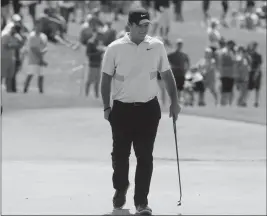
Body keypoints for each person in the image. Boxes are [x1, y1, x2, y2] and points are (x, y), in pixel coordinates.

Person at [100, 7, 181, 215]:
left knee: (145, 156)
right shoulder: (115, 48)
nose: (145, 29)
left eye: (147, 25)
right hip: (122, 110)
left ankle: (141, 203)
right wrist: (107, 106)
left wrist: (175, 101)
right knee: (120, 156)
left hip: (148, 109)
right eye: (141, 25)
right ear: (131, 25)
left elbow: (167, 74)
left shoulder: (156, 46)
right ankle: (120, 187)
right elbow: (106, 78)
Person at [23, 19, 48, 93]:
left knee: (41, 75)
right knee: (30, 75)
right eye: (37, 25)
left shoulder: (43, 36)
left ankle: (41, 91)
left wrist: (44, 51)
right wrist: (41, 60)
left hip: (41, 59)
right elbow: (34, 49)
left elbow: (45, 46)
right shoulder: (32, 36)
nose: (39, 27)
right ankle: (25, 89)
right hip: (33, 59)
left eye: (40, 26)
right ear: (35, 26)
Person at [85, 24, 106, 98]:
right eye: (99, 34)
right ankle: (86, 95)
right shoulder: (90, 42)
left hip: (98, 63)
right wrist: (99, 53)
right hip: (92, 64)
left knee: (97, 81)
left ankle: (96, 96)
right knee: (90, 80)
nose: (100, 36)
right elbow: (88, 54)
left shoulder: (99, 42)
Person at [168, 38, 190, 103]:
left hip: (181, 74)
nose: (179, 46)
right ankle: (173, 101)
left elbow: (188, 63)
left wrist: (186, 70)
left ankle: (179, 102)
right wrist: (172, 67)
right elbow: (166, 60)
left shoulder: (184, 55)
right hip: (174, 74)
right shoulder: (172, 55)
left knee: (180, 88)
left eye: (180, 44)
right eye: (178, 44)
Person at [217, 40, 236, 106]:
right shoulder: (223, 52)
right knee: (224, 90)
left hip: (231, 74)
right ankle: (223, 103)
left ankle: (229, 104)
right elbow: (222, 62)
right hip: (225, 74)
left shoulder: (231, 52)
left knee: (230, 90)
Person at [247, 42, 262, 107]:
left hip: (256, 72)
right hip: (251, 72)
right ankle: (246, 101)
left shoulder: (258, 56)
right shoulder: (250, 55)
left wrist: (256, 73)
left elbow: (259, 65)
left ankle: (256, 102)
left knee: (257, 88)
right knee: (249, 87)